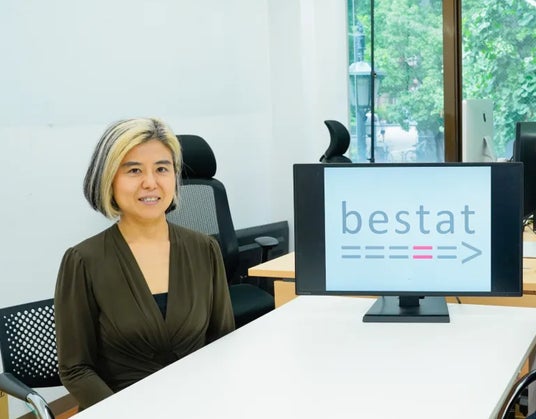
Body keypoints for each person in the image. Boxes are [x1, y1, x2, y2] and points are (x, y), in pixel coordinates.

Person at [54, 118, 235, 409]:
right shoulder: (83, 261)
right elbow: (76, 369)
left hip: (196, 403)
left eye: (162, 169)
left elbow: (223, 343)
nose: (150, 182)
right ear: (109, 180)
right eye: (134, 170)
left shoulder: (204, 249)